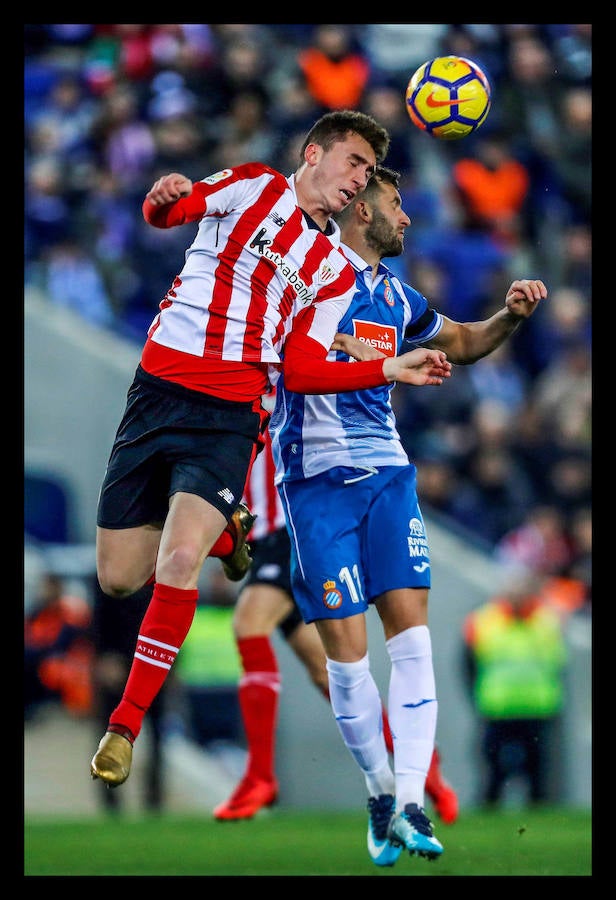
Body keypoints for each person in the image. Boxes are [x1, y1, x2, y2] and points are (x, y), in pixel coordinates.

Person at [90, 110, 453, 790]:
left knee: (175, 561)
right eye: (352, 163)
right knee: (117, 576)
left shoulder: (333, 271)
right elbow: (173, 212)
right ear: (314, 154)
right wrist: (164, 195)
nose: (357, 181)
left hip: (231, 415)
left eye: (368, 174)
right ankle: (231, 536)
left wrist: (387, 368)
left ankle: (123, 726)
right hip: (156, 396)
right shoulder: (253, 187)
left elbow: (304, 368)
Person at [267, 165, 547, 866]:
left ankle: (414, 801)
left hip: (388, 476)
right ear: (360, 211)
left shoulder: (395, 294)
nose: (408, 219)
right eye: (395, 205)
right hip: (316, 478)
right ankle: (381, 793)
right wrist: (353, 351)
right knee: (348, 657)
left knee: (414, 641)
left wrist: (510, 315)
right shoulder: (305, 272)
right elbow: (278, 351)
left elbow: (464, 341)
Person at [212, 402, 459, 826]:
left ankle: (258, 775)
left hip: (292, 529)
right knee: (327, 672)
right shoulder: (234, 398)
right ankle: (427, 769)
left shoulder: (279, 389)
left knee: (248, 623)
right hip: (265, 537)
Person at [462, 564, 568, 807]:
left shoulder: (548, 621)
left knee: (538, 775)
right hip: (497, 709)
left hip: (537, 709)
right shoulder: (483, 620)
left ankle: (538, 826)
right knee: (493, 773)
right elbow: (467, 665)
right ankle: (488, 821)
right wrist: (477, 696)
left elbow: (559, 665)